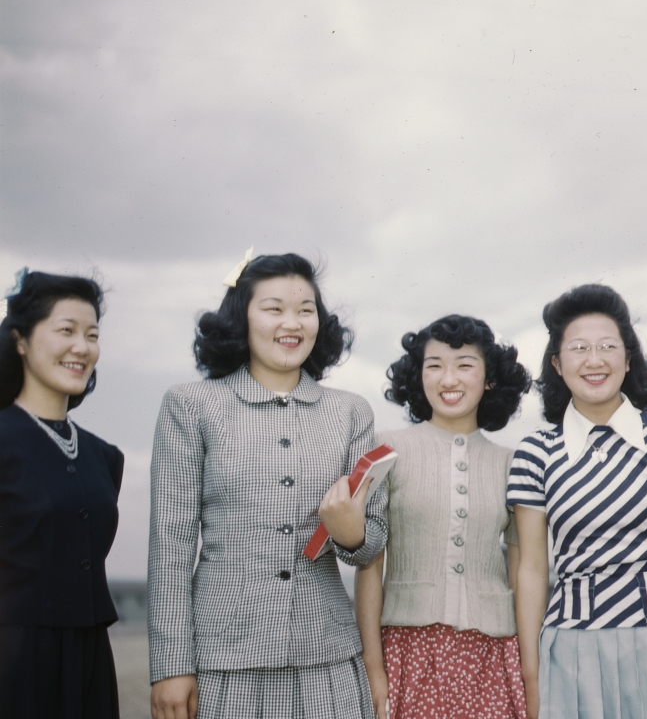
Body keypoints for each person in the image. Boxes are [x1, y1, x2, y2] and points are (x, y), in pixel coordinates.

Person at [147, 251, 387, 719]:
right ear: (242, 315)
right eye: (273, 308)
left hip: (328, 660)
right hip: (223, 663)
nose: (292, 322)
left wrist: (351, 532)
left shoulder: (351, 412)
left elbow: (370, 545)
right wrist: (171, 665)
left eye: (305, 309)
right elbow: (170, 546)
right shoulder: (190, 405)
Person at [508, 284, 647, 719]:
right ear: (557, 364)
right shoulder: (535, 453)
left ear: (628, 358)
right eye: (579, 348)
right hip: (571, 650)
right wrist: (531, 671)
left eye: (608, 346)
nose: (594, 359)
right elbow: (531, 568)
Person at [355, 315, 533, 719]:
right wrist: (373, 665)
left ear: (490, 379)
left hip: (493, 655)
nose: (448, 378)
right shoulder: (384, 450)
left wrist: (527, 665)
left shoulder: (513, 464)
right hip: (406, 652)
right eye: (434, 365)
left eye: (465, 365)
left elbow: (523, 572)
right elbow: (369, 564)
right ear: (417, 377)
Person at [0, 268, 124, 719]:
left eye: (91, 334)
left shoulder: (104, 456)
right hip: (12, 660)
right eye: (65, 330)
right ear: (20, 340)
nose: (82, 347)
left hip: (91, 658)